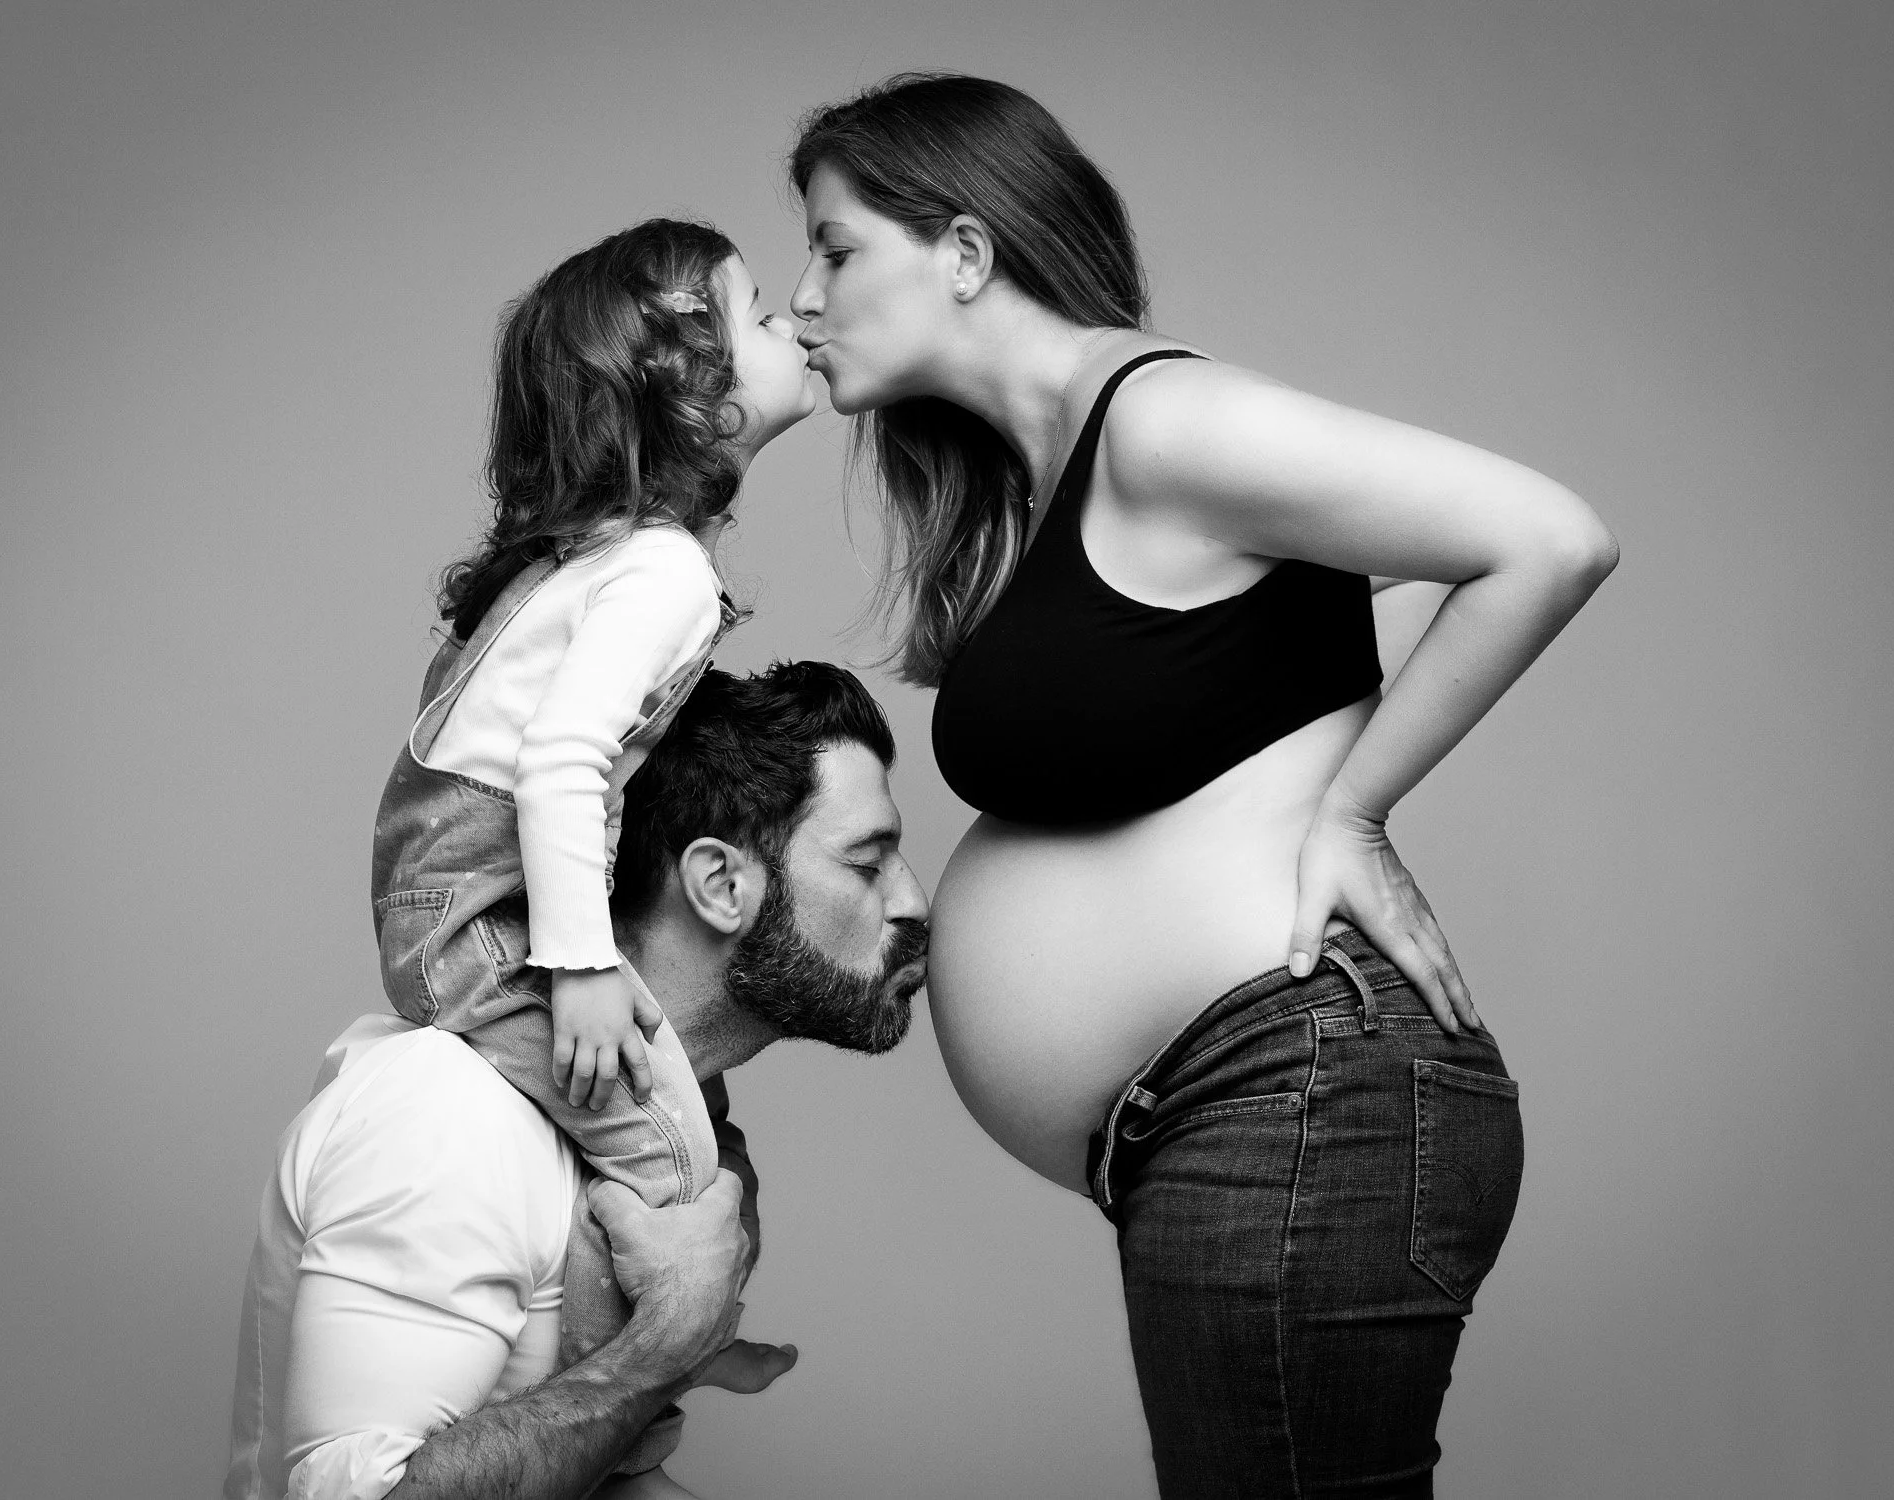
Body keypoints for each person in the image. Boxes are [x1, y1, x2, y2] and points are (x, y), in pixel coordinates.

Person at [787, 73, 1618, 1498]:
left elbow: (1546, 537)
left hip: (1294, 1100)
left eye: (837, 247)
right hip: (1241, 1121)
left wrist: (1350, 811)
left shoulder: (1163, 426)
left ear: (970, 254)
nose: (801, 297)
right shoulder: (1070, 473)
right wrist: (1323, 755)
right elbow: (1323, 638)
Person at [225, 662, 931, 1500]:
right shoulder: (450, 1112)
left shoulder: (671, 1139)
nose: (914, 901)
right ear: (720, 884)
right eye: (868, 862)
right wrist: (666, 1346)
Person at [367, 219, 815, 1390]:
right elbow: (561, 763)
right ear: (690, 393)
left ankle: (646, 1352)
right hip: (477, 917)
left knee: (682, 1111)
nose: (787, 320)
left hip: (458, 889)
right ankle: (643, 1376)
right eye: (755, 307)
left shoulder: (604, 557)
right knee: (669, 1150)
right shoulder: (657, 567)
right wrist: (576, 965)